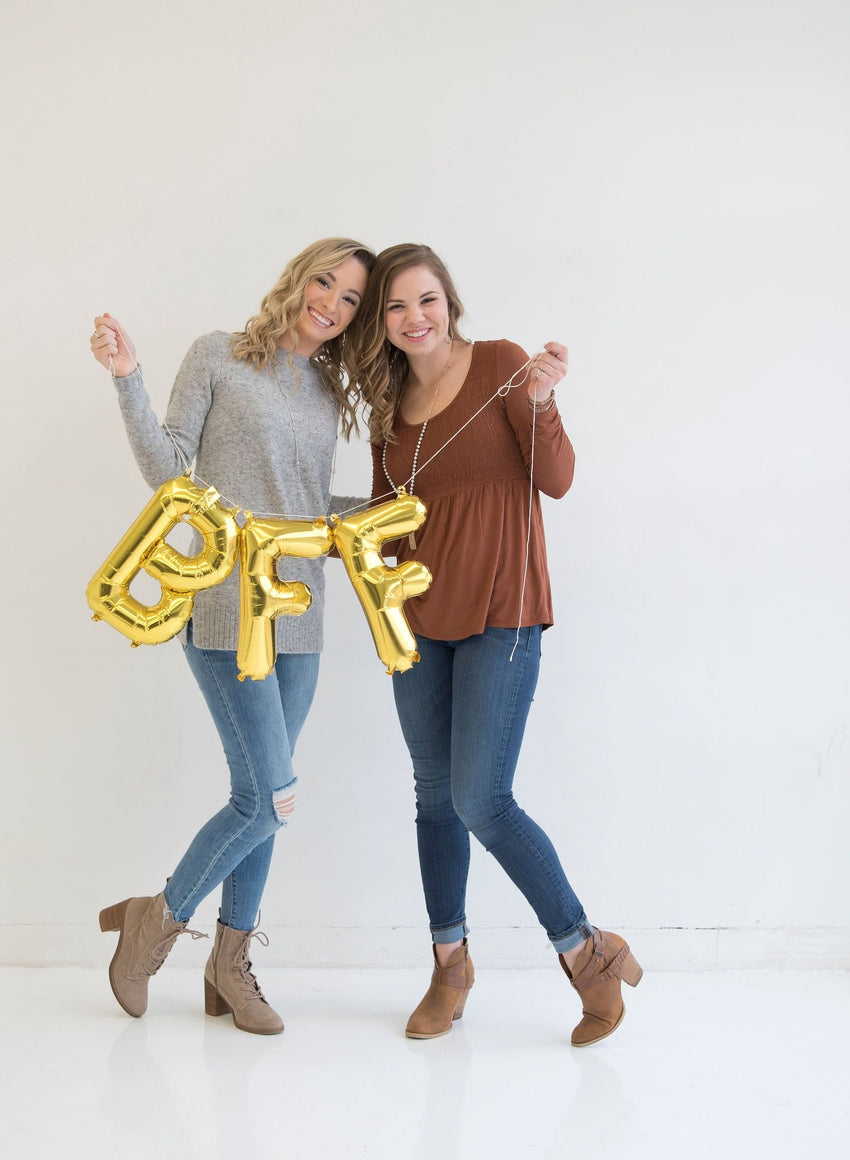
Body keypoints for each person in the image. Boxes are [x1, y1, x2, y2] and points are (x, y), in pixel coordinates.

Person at [350, 243, 642, 1047]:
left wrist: (544, 403)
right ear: (382, 324)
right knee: (433, 795)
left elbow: (557, 479)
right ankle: (450, 965)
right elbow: (384, 518)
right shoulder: (386, 411)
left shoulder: (506, 366)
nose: (415, 318)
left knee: (483, 797)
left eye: (427, 300)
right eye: (397, 307)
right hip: (417, 625)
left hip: (502, 613)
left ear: (450, 302)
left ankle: (588, 955)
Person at [88, 237, 375, 1034]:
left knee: (266, 802)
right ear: (298, 278)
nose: (333, 303)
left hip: (302, 613)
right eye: (327, 282)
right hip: (222, 603)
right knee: (269, 795)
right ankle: (157, 919)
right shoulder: (217, 354)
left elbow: (309, 506)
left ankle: (229, 963)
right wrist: (127, 379)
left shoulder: (325, 390)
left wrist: (392, 511)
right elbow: (171, 470)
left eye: (351, 299)